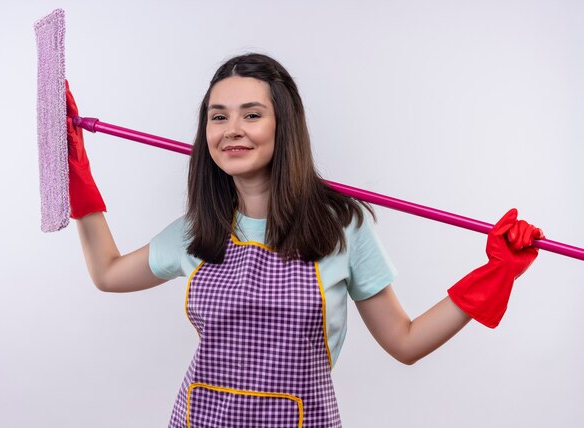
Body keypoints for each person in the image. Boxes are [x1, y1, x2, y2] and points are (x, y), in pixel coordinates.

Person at [65, 53, 544, 427]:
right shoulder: (198, 230)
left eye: (251, 115)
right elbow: (108, 271)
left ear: (283, 125)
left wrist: (495, 273)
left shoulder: (341, 227)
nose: (232, 130)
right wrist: (78, 174)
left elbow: (405, 340)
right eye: (218, 117)